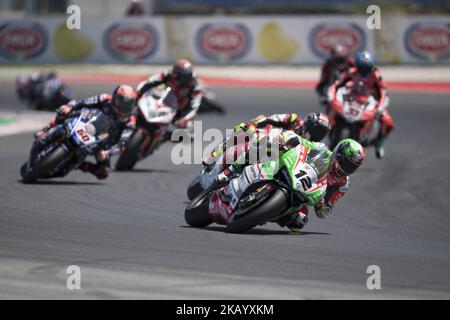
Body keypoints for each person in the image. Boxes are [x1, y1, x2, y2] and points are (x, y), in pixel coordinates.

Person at [211, 133, 365, 233]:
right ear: (338, 153)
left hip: (304, 193)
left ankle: (262, 213)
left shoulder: (343, 183)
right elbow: (302, 141)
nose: (346, 168)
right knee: (266, 146)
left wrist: (322, 206)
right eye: (346, 162)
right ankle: (231, 169)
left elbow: (326, 209)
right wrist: (286, 141)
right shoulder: (322, 149)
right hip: (294, 169)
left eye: (352, 167)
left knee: (299, 222)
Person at [34, 84, 138, 179]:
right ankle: (47, 129)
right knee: (64, 112)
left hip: (103, 142)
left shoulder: (130, 121)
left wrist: (107, 153)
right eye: (122, 102)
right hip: (87, 121)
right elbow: (82, 102)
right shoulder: (105, 98)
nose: (123, 107)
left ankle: (80, 165)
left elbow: (122, 145)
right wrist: (69, 107)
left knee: (103, 172)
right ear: (115, 97)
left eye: (128, 105)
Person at [328, 51, 394, 159]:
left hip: (370, 102)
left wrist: (380, 107)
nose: (364, 71)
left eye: (366, 68)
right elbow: (336, 84)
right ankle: (329, 130)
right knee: (332, 108)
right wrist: (331, 96)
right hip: (352, 100)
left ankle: (379, 143)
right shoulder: (351, 72)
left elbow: (383, 93)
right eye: (361, 68)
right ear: (357, 66)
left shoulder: (376, 76)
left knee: (388, 122)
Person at [203, 112, 330, 168]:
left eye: (321, 133)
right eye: (316, 129)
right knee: (248, 130)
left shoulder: (313, 147)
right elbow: (269, 119)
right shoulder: (294, 120)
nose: (316, 134)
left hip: (275, 163)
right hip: (264, 141)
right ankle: (215, 153)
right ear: (309, 123)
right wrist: (253, 124)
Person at [136, 59, 204, 135]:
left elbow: (194, 107)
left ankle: (165, 136)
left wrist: (184, 119)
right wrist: (139, 93)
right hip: (163, 101)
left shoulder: (196, 86)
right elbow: (150, 82)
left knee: (190, 133)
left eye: (187, 76)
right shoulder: (167, 74)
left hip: (180, 110)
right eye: (182, 76)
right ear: (176, 74)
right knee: (135, 105)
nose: (185, 79)